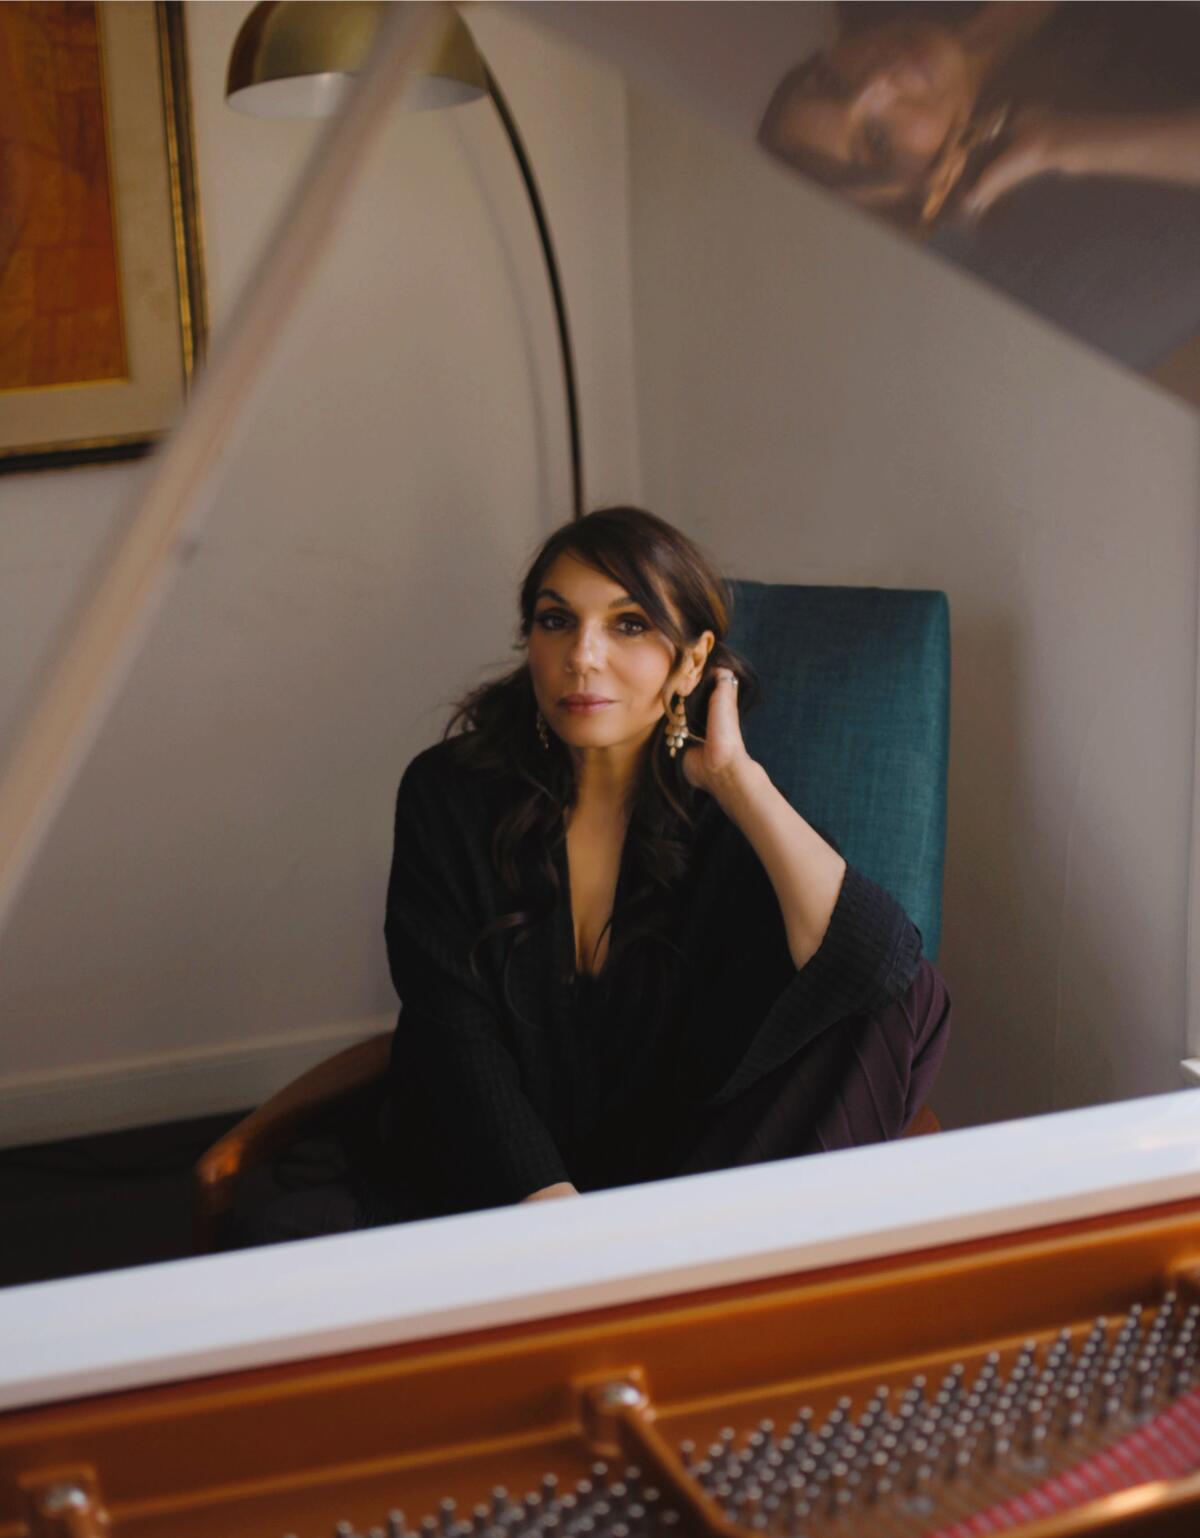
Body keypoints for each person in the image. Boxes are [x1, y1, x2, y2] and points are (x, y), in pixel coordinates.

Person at [235, 507, 949, 1242]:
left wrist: (737, 780)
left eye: (630, 624)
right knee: (278, 1241)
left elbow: (884, 979)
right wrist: (563, 1232)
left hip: (666, 1194)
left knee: (893, 989)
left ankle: (673, 1281)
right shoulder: (448, 794)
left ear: (694, 659)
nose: (583, 655)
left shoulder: (726, 817)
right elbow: (453, 1033)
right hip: (485, 1181)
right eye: (556, 621)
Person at [757, 2, 1200, 372]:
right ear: (937, 186)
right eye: (878, 141)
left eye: (833, 84)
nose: (878, 83)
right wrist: (1063, 144)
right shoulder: (1080, 146)